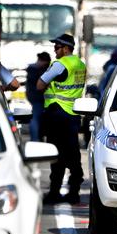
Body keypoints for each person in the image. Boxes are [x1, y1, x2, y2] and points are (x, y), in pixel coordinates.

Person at [37, 33, 86, 205]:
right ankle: (74, 193)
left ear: (66, 48)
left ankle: (54, 193)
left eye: (57, 47)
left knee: (56, 155)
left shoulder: (60, 64)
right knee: (73, 155)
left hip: (57, 114)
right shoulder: (80, 64)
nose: (54, 50)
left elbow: (40, 84)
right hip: (73, 114)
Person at [26, 51, 51, 142]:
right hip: (38, 98)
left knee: (37, 118)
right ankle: (35, 139)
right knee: (36, 119)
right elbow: (40, 85)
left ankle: (36, 138)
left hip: (35, 97)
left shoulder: (32, 68)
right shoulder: (36, 69)